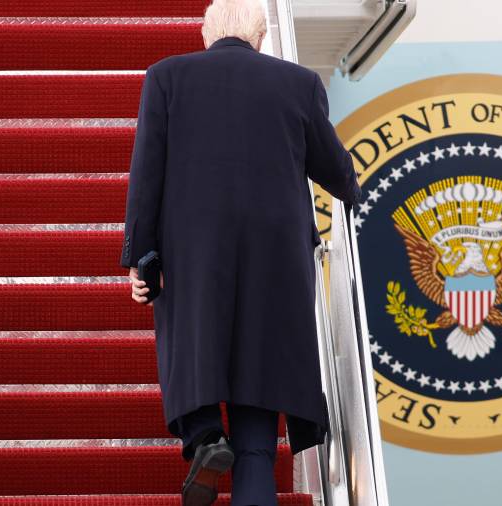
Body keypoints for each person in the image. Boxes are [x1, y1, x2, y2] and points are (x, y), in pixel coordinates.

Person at [120, 0, 361, 504]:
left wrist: (140, 258)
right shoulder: (297, 84)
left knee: (194, 356)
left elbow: (146, 176)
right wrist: (352, 186)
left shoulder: (166, 77)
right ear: (259, 38)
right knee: (258, 440)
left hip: (193, 259)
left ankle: (205, 434)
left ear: (206, 35)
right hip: (276, 265)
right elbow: (337, 174)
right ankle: (243, 463)